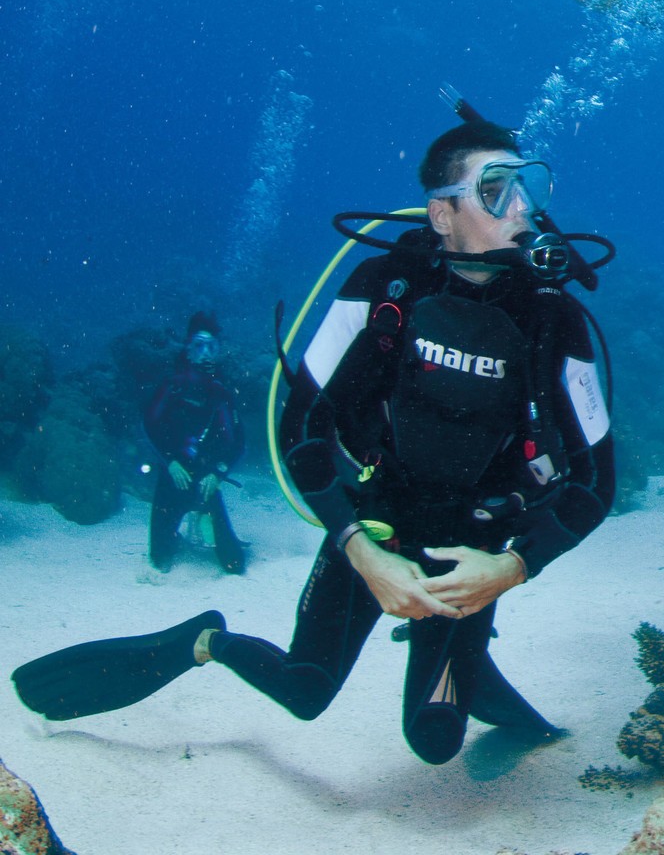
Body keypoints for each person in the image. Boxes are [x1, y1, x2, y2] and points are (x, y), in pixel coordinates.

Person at [12, 115, 616, 767]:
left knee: (435, 742)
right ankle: (204, 642)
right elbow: (300, 426)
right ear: (443, 213)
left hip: (475, 539)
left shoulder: (554, 319)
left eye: (528, 186)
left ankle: (465, 655)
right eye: (496, 189)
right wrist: (359, 548)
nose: (523, 206)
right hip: (375, 519)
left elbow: (596, 479)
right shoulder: (383, 289)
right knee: (305, 691)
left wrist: (511, 566)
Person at [144, 311, 246, 574]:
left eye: (212, 347)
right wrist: (170, 462)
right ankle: (184, 527)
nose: (206, 354)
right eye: (199, 346)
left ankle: (202, 518)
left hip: (205, 479)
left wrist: (217, 473)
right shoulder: (172, 386)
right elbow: (150, 426)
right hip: (173, 476)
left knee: (234, 563)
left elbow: (237, 442)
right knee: (159, 559)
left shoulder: (222, 392)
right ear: (188, 350)